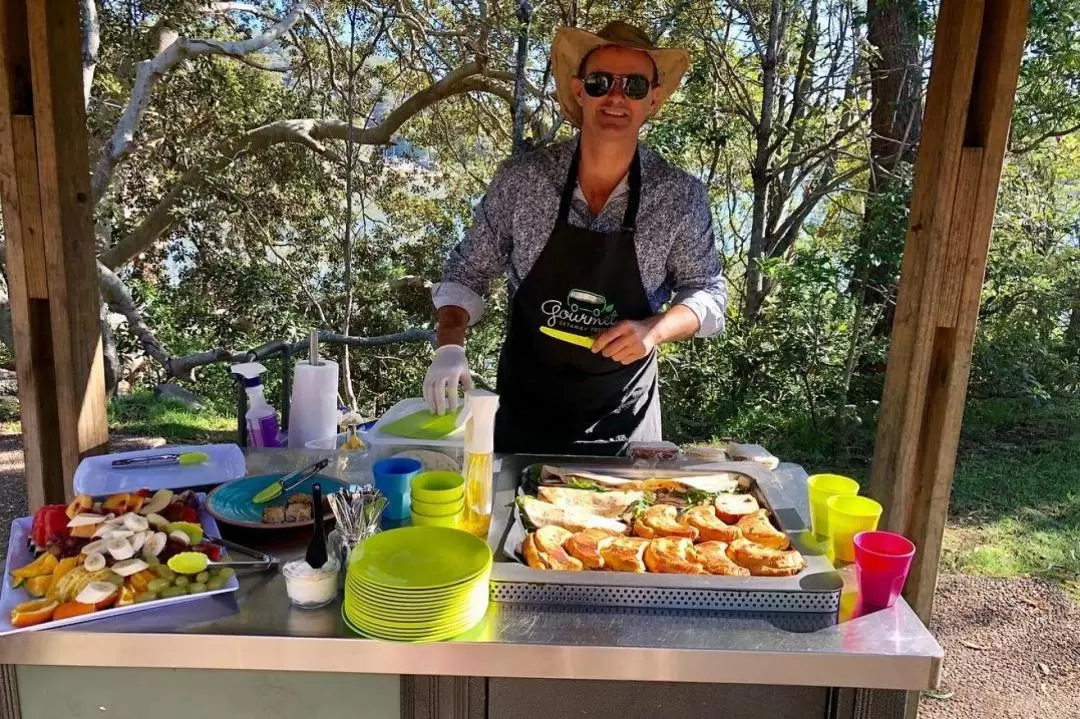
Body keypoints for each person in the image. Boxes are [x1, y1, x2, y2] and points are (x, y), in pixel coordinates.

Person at [424, 21, 726, 456]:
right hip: (524, 419)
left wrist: (653, 330)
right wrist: (449, 346)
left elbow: (709, 293)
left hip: (626, 425)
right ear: (579, 89)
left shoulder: (679, 195)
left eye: (635, 85)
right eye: (601, 82)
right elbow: (467, 271)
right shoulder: (524, 180)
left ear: (653, 99)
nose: (616, 96)